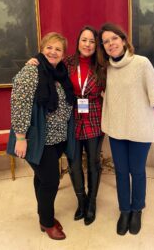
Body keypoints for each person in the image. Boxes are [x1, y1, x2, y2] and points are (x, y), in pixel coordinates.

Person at [27, 26, 105, 226]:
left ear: (96, 45)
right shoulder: (66, 63)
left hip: (95, 116)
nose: (87, 44)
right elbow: (46, 67)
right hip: (71, 119)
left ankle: (92, 204)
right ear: (78, 42)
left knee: (94, 163)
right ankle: (81, 202)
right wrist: (34, 62)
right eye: (84, 40)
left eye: (92, 41)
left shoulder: (103, 66)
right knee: (74, 163)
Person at [97, 23, 154, 236]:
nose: (110, 44)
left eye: (114, 39)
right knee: (121, 173)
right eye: (106, 42)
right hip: (117, 129)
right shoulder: (106, 68)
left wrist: (137, 113)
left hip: (139, 129)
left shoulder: (141, 63)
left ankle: (137, 210)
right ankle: (124, 210)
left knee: (137, 171)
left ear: (123, 40)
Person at [10, 32, 74, 240]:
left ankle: (42, 216)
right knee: (50, 181)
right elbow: (19, 105)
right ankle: (47, 223)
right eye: (49, 47)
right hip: (38, 139)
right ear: (42, 47)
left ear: (63, 54)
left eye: (58, 49)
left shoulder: (60, 72)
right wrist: (20, 138)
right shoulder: (32, 71)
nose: (53, 52)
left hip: (56, 138)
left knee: (41, 178)